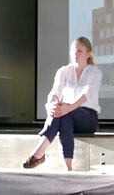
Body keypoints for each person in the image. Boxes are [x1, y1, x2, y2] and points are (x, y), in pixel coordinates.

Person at [22, 37, 102, 171]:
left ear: (88, 54)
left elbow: (86, 95)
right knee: (64, 117)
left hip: (88, 118)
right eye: (73, 50)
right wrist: (52, 105)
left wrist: (68, 108)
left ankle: (38, 154)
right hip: (65, 113)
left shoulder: (95, 72)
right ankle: (68, 167)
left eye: (79, 51)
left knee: (64, 112)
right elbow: (55, 91)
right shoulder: (63, 71)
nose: (75, 54)